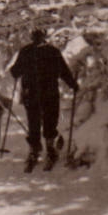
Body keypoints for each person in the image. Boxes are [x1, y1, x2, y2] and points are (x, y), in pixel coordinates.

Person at [9, 28, 79, 172]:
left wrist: (72, 84)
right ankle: (44, 148)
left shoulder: (27, 51)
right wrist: (72, 84)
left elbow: (15, 71)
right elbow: (64, 71)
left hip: (37, 92)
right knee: (43, 120)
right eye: (36, 36)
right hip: (45, 92)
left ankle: (41, 149)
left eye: (37, 36)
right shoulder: (51, 51)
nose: (36, 38)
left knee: (40, 120)